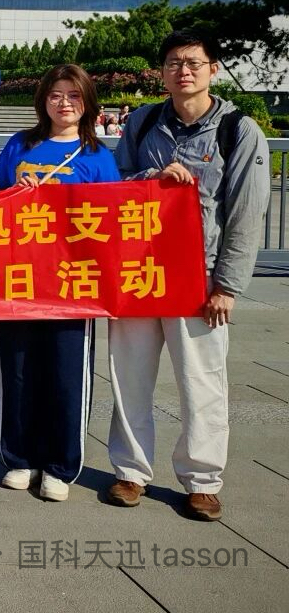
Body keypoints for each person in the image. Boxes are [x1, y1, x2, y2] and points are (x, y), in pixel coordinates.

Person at [106, 30, 270, 521]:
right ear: (162, 72)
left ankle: (202, 481)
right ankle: (130, 471)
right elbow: (115, 187)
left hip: (198, 278)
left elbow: (246, 212)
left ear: (213, 69)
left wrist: (228, 286)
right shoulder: (142, 122)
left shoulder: (238, 130)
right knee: (129, 378)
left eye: (194, 62)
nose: (184, 71)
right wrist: (151, 179)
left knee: (202, 382)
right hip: (139, 273)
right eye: (174, 63)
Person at [0, 63, 118, 502]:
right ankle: (20, 457)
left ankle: (60, 466)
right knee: (18, 370)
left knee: (66, 374)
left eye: (74, 95)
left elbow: (113, 220)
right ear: (43, 100)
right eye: (56, 94)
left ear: (88, 103)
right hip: (19, 278)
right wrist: (16, 192)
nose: (64, 103)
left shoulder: (97, 157)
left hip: (72, 284)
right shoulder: (19, 145)